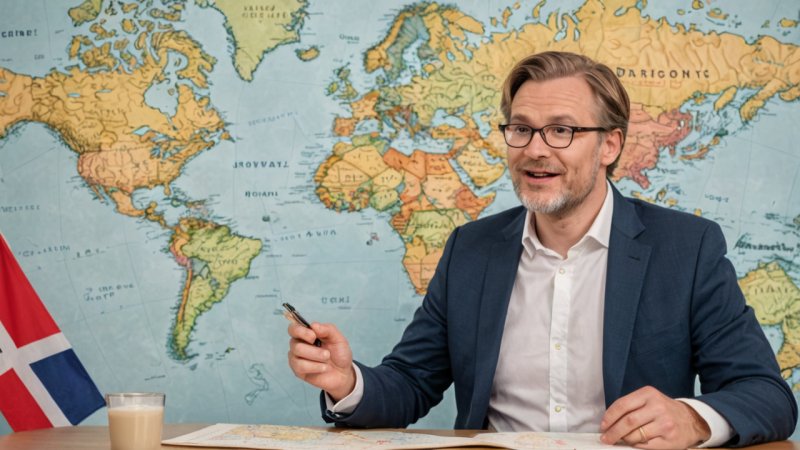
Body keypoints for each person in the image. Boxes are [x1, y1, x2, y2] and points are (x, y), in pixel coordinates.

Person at [287, 51, 797, 448]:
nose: (535, 149)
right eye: (522, 129)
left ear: (610, 146)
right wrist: (347, 382)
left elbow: (767, 395)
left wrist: (691, 418)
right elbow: (412, 383)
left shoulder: (686, 249)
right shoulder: (471, 249)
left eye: (561, 131)